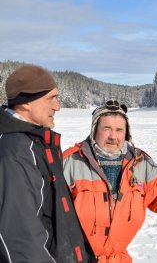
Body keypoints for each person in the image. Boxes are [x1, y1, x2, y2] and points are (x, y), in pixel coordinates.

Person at [63, 99, 157, 262]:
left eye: (119, 130)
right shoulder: (70, 162)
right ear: (94, 130)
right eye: (106, 129)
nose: (113, 136)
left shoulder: (139, 163)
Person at [0, 65, 92, 262]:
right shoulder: (14, 151)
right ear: (26, 103)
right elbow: (20, 241)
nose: (57, 106)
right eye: (51, 98)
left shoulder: (36, 142)